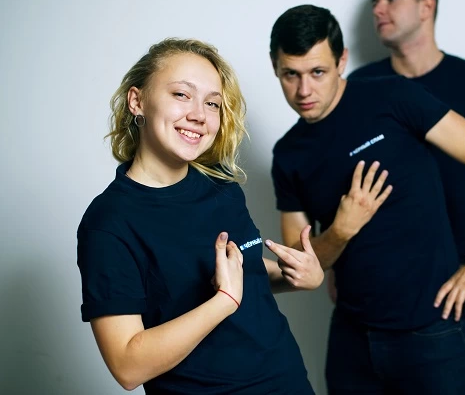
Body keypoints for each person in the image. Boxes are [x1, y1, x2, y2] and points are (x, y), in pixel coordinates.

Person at [269, 5, 465, 394]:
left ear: (341, 61)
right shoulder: (288, 154)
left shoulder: (392, 96)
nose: (304, 90)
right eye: (290, 74)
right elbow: (298, 264)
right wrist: (341, 230)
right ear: (275, 68)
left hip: (433, 326)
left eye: (318, 72)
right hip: (353, 338)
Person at [77, 38, 324, 394]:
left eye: (212, 103)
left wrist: (296, 275)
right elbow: (127, 366)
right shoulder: (108, 222)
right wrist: (223, 303)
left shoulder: (221, 185)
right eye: (181, 95)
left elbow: (239, 271)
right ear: (137, 101)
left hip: (288, 382)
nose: (199, 115)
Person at [348, 0, 465, 360]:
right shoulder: (360, 85)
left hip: (450, 287)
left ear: (427, 7)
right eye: (374, 2)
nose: (378, 9)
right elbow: (343, 168)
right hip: (373, 286)